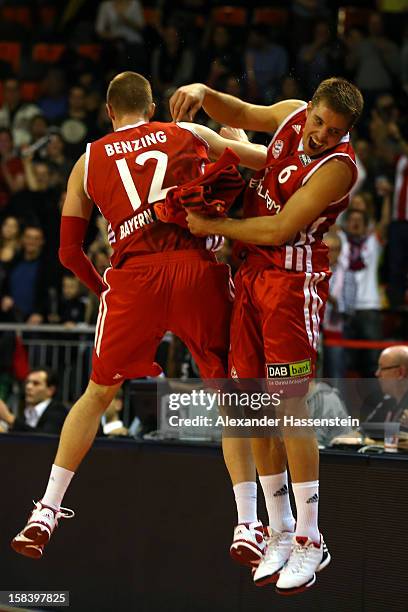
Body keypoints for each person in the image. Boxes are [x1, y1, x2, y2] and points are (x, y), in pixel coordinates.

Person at [11, 71, 267, 560]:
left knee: (97, 393)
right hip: (197, 268)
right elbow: (261, 163)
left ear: (110, 112)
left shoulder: (88, 161)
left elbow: (68, 252)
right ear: (151, 108)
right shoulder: (187, 133)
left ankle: (46, 508)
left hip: (135, 280)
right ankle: (247, 523)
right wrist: (240, 139)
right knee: (231, 397)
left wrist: (104, 286)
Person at [170, 76, 363, 594]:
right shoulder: (292, 114)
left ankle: (310, 538)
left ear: (347, 133)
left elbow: (278, 230)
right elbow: (243, 110)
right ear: (313, 109)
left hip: (291, 283)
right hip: (251, 277)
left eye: (333, 129)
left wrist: (215, 227)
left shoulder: (339, 168)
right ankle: (277, 531)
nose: (320, 133)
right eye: (319, 121)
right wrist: (204, 93)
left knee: (288, 407)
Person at [0, 368, 68, 434]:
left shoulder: (58, 410)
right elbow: (23, 436)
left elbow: (46, 439)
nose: (28, 387)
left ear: (50, 390)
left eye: (36, 383)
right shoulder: (27, 411)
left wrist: (9, 418)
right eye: (27, 382)